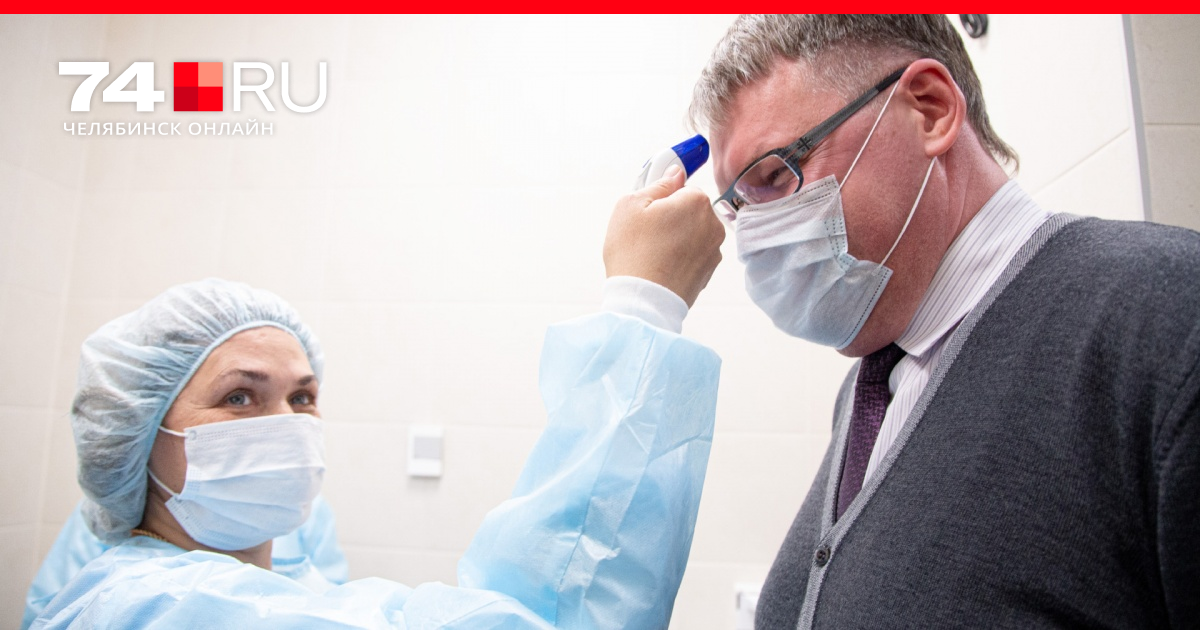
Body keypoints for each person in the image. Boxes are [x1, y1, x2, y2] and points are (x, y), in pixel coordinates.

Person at [603, 13, 1200, 629]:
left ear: (930, 110)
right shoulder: (874, 389)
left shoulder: (1167, 321)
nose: (754, 234)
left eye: (776, 175)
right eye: (740, 206)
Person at [31, 276, 720, 629]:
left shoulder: (286, 589)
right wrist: (643, 306)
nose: (286, 423)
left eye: (303, 397)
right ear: (139, 437)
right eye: (239, 397)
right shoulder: (151, 608)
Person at [22, 495, 348, 629]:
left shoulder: (305, 511)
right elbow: (54, 611)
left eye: (300, 398)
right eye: (236, 398)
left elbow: (335, 608)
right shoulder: (118, 515)